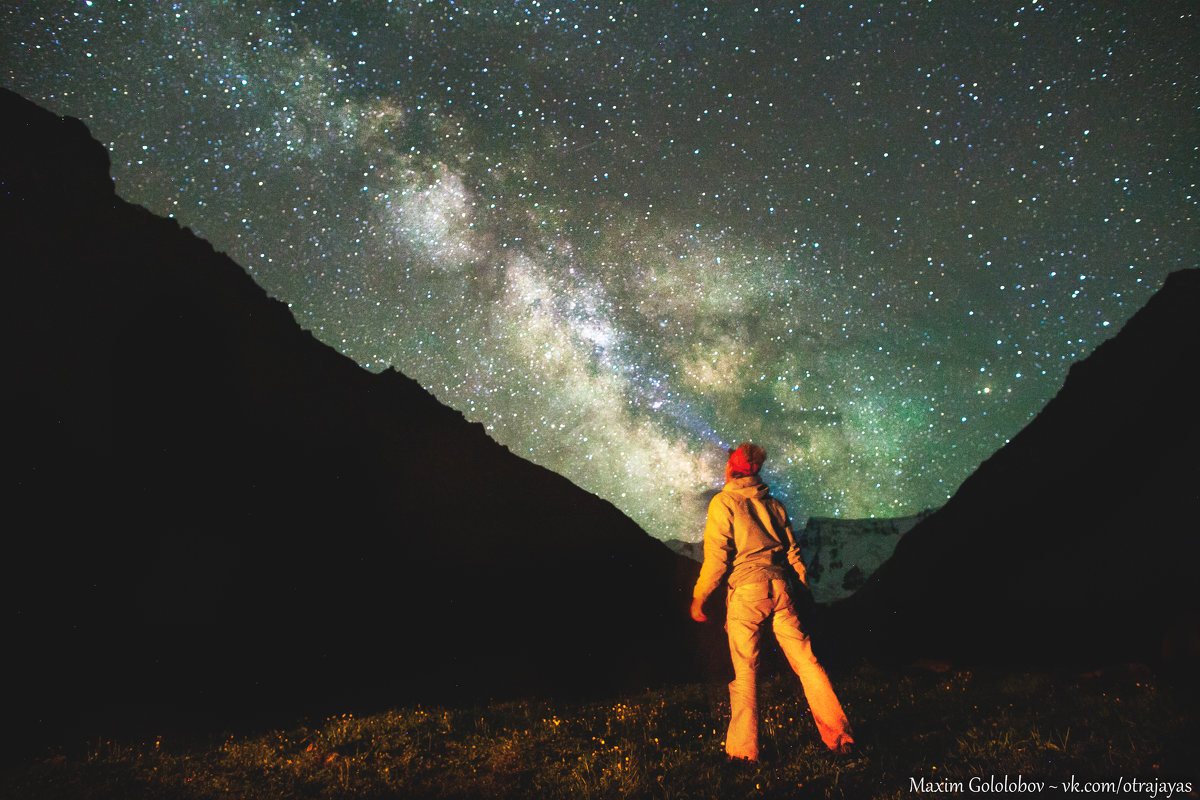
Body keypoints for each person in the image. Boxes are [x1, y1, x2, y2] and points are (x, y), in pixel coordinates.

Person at [690, 442, 854, 761]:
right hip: (782, 588)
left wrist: (700, 597)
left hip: (748, 592)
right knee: (807, 663)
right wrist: (804, 588)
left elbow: (716, 559)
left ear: (731, 470)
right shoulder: (775, 505)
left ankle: (743, 753)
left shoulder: (724, 503)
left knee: (746, 669)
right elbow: (794, 553)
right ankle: (840, 737)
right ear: (756, 472)